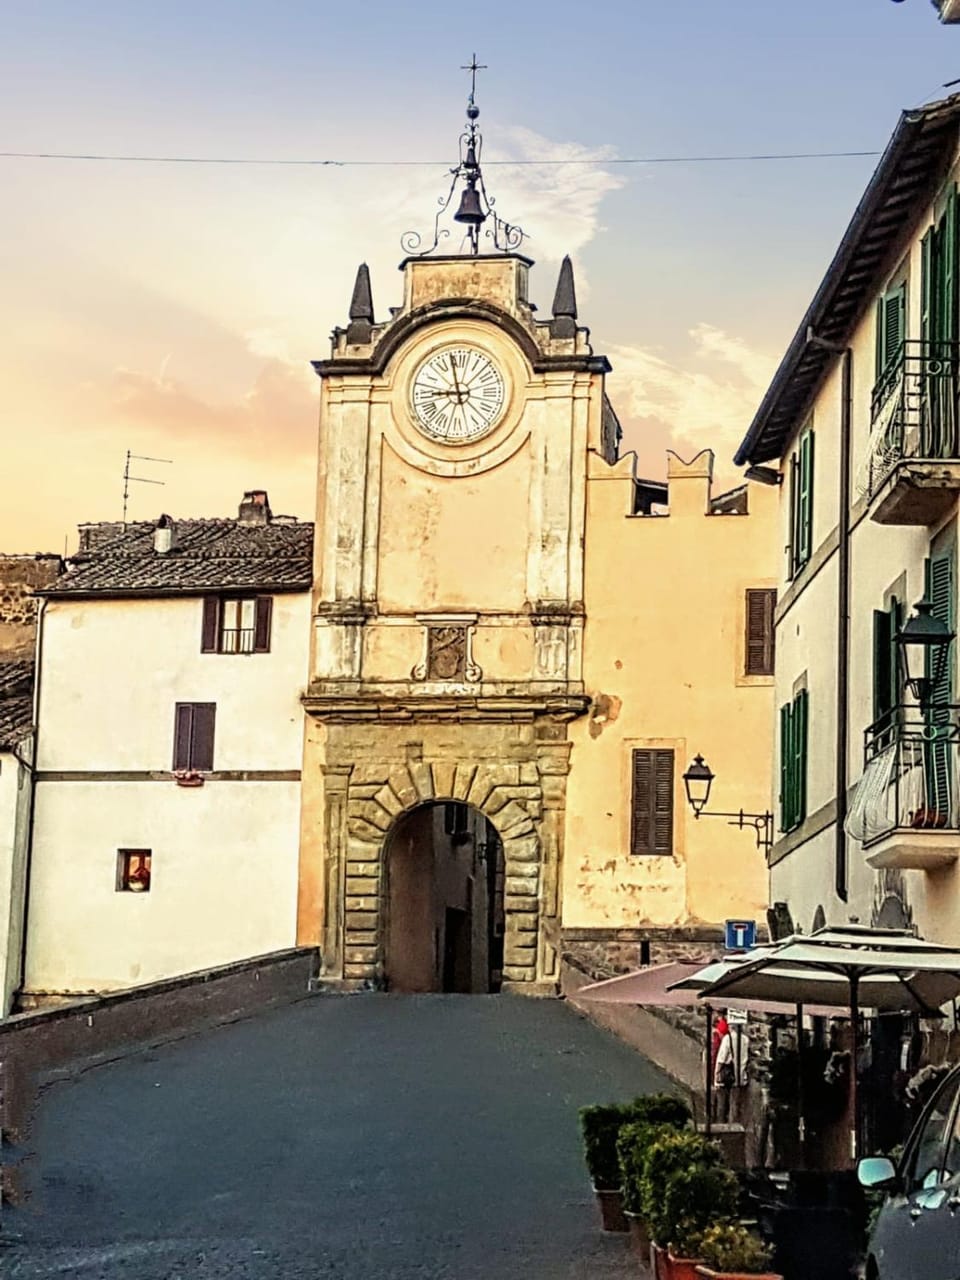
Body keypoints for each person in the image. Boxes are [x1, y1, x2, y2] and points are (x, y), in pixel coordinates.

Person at [714, 1016, 736, 1121]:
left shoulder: (727, 1039)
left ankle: (720, 1124)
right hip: (739, 1076)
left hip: (726, 1075)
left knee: (721, 1103)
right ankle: (732, 1122)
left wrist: (716, 1076)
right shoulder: (745, 1039)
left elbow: (721, 1059)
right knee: (734, 1103)